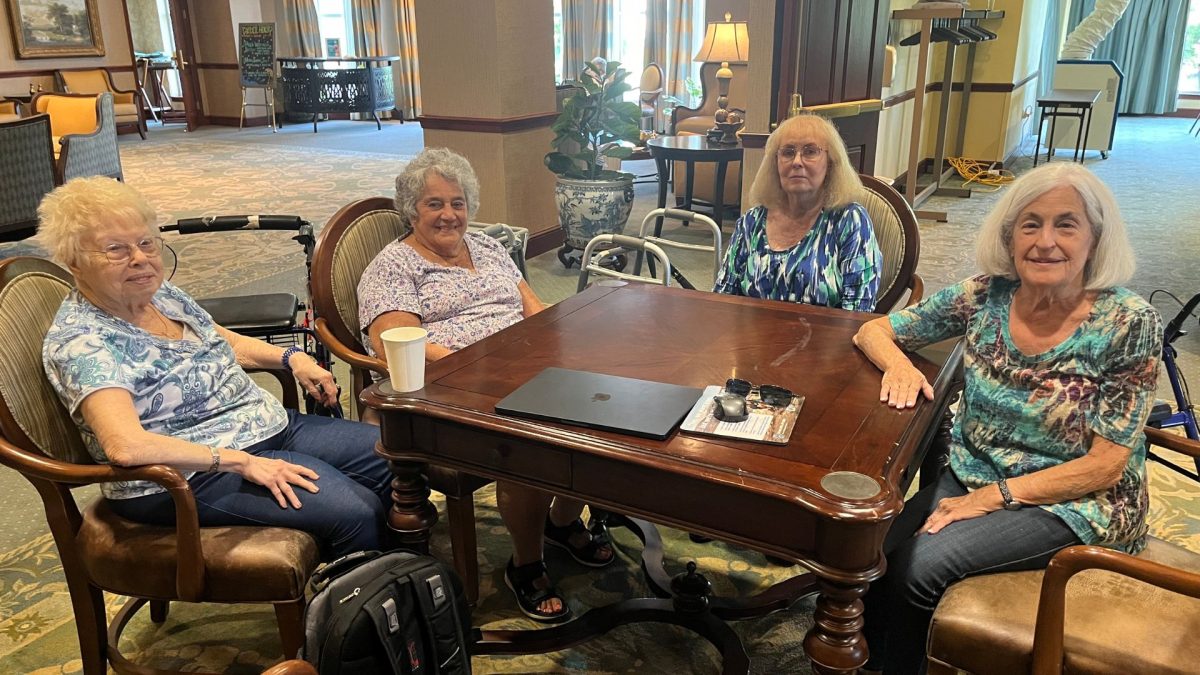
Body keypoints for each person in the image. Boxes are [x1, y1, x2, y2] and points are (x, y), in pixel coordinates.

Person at [852, 162, 1161, 675]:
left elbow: (1106, 466)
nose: (1045, 241)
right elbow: (874, 331)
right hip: (973, 472)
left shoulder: (1128, 324)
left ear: (1095, 238)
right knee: (864, 554)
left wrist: (992, 499)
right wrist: (902, 366)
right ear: (1010, 235)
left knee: (916, 569)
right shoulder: (985, 294)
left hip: (1075, 502)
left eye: (1067, 224)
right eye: (1030, 223)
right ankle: (872, 660)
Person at [39, 177, 392, 561]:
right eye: (115, 250)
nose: (139, 259)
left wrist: (294, 359)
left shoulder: (158, 294)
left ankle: (413, 584)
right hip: (183, 477)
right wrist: (241, 463)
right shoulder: (84, 342)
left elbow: (225, 341)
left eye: (145, 243)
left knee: (397, 460)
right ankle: (362, 609)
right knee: (355, 512)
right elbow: (126, 446)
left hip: (265, 425)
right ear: (74, 262)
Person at [357, 147, 612, 623]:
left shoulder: (490, 248)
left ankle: (559, 521)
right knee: (528, 442)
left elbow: (533, 309)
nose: (449, 215)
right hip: (447, 392)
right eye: (434, 204)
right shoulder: (393, 267)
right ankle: (526, 564)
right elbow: (399, 343)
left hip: (520, 368)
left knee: (600, 407)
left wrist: (560, 350)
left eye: (458, 202)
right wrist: (486, 367)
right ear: (411, 208)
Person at [713, 113, 881, 311]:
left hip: (824, 340)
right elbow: (722, 299)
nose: (797, 161)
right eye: (788, 152)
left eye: (810, 151)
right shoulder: (752, 222)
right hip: (751, 339)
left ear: (830, 162)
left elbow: (858, 312)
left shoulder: (849, 221)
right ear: (775, 163)